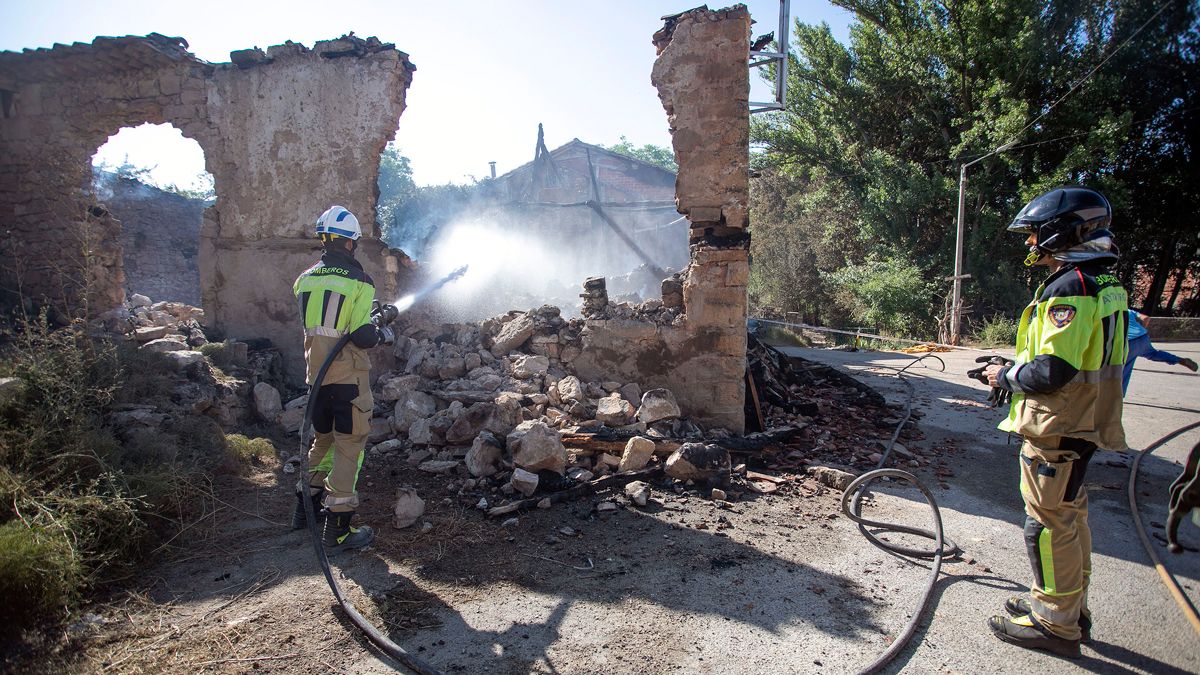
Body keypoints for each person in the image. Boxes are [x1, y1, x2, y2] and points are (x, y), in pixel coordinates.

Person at [982, 186, 1128, 659]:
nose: (1031, 244)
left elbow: (1050, 373)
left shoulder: (1071, 287)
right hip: (1086, 418)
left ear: (1063, 231)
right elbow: (1069, 357)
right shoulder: (1106, 283)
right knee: (1071, 516)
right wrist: (1017, 363)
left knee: (1046, 525)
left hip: (1059, 424)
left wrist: (1004, 374)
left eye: (1036, 235)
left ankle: (1053, 624)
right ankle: (1070, 609)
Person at [291, 205, 395, 553]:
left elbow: (327, 324)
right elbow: (362, 336)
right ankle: (338, 529)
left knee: (321, 442)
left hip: (315, 379)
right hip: (348, 380)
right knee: (349, 446)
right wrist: (379, 328)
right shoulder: (359, 282)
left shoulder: (304, 280)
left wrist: (368, 321)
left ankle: (303, 511)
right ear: (350, 244)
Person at [1122, 309, 1197, 394]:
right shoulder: (1128, 310)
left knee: (1125, 367)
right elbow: (1146, 318)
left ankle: (1119, 395)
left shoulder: (1111, 312)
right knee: (1153, 353)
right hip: (1143, 336)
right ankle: (1179, 360)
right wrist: (1140, 330)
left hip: (1130, 341)